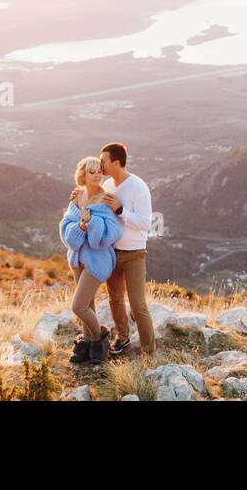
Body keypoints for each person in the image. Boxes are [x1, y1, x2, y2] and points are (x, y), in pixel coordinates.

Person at [74, 142, 155, 356]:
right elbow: (92, 198)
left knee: (138, 306)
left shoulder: (138, 187)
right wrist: (79, 194)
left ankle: (149, 352)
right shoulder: (108, 185)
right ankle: (122, 337)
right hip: (111, 253)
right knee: (115, 298)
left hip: (134, 254)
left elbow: (146, 223)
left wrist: (120, 210)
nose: (101, 166)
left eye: (104, 161)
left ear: (116, 162)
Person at [58, 156, 122, 364]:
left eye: (99, 171)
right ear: (83, 175)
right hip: (77, 257)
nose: (97, 175)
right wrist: (81, 227)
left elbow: (111, 235)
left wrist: (92, 222)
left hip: (98, 260)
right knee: (88, 304)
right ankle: (86, 343)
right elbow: (66, 228)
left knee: (78, 306)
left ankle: (99, 337)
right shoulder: (77, 197)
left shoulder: (106, 200)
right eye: (92, 171)